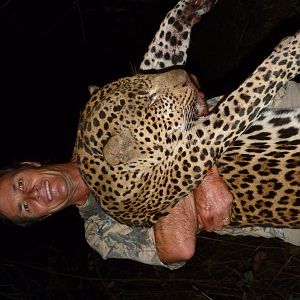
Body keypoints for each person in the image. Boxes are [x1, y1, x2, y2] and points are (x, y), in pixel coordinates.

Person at [0, 80, 299, 270]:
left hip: (268, 120)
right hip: (283, 209)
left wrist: (207, 174)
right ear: (40, 217)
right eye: (25, 207)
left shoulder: (95, 121)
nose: (32, 194)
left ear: (30, 164)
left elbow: (181, 83)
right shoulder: (100, 233)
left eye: (20, 184)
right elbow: (178, 248)